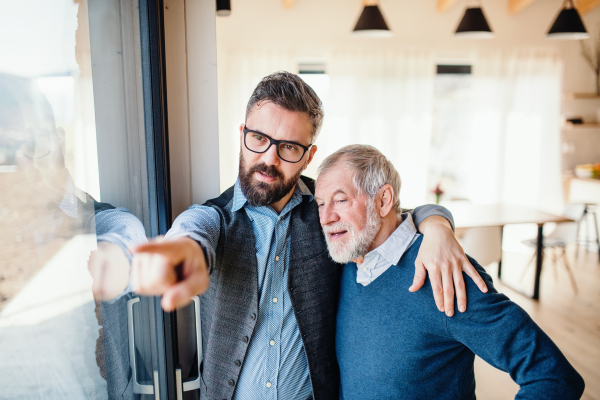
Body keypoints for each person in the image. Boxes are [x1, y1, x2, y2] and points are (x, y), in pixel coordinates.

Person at [129, 72, 488, 400]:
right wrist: (182, 251)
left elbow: (390, 215)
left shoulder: (328, 210)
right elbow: (192, 233)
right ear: (242, 136)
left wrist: (437, 224)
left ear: (308, 156)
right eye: (258, 138)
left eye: (288, 147)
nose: (268, 159)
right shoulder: (215, 217)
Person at [314, 144, 585, 400]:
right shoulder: (349, 261)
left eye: (340, 200)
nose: (326, 218)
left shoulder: (444, 274)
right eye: (321, 204)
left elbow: (553, 377)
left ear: (384, 200)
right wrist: (436, 221)